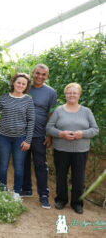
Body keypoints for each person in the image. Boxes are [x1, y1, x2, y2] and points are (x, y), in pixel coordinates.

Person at [0, 73, 35, 200]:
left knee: (19, 167)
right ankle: (2, 192)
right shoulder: (3, 98)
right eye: (18, 82)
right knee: (3, 165)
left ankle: (16, 193)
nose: (20, 85)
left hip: (20, 138)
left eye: (23, 84)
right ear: (13, 83)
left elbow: (31, 120)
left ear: (26, 86)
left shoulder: (28, 100)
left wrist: (28, 140)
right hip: (3, 137)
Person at [46, 83, 98, 214]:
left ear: (79, 95)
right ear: (65, 94)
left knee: (78, 177)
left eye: (75, 93)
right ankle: (61, 200)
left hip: (80, 151)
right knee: (61, 176)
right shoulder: (59, 110)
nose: (72, 95)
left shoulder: (86, 111)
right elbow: (49, 128)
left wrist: (82, 134)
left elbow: (95, 129)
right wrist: (61, 134)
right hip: (61, 149)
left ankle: (77, 203)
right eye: (69, 93)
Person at [21, 64, 57, 209]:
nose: (40, 76)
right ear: (33, 73)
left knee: (41, 164)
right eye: (37, 73)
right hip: (22, 132)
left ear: (47, 76)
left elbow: (51, 114)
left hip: (39, 134)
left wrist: (49, 135)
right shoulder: (24, 87)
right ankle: (26, 188)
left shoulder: (50, 92)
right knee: (23, 162)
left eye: (43, 74)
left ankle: (43, 194)